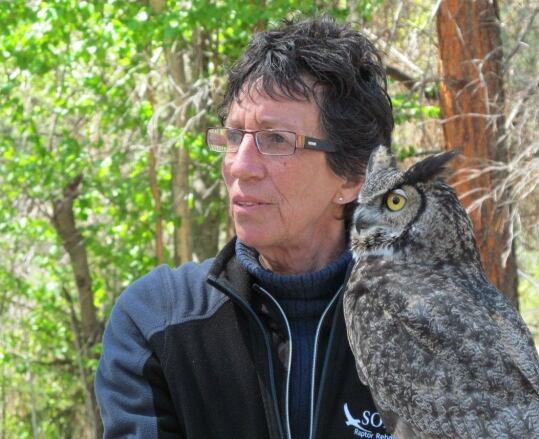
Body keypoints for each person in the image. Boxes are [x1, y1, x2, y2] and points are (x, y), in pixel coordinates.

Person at [95, 17, 395, 439]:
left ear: (353, 177)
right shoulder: (158, 321)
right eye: (235, 136)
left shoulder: (433, 324)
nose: (239, 165)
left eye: (276, 140)